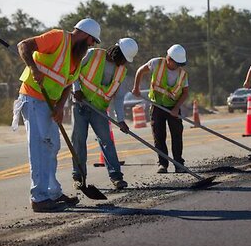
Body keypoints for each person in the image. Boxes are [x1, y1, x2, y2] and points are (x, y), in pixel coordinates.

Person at [12, 18, 101, 212]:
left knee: (52, 147)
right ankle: (39, 197)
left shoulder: (76, 58)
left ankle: (53, 193)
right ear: (85, 35)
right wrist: (34, 69)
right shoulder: (58, 37)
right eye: (92, 41)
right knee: (39, 147)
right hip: (33, 98)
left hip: (50, 104)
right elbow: (23, 46)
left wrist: (60, 107)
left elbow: (67, 84)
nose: (92, 45)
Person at [71, 37, 138, 190]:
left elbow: (118, 98)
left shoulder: (121, 71)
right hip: (80, 104)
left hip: (99, 110)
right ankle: (79, 177)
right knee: (79, 141)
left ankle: (116, 177)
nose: (124, 62)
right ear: (117, 52)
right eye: (124, 58)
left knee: (107, 141)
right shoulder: (93, 54)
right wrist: (76, 90)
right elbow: (74, 70)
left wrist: (121, 120)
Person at [132, 44, 189, 173]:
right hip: (157, 106)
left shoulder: (182, 74)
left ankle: (179, 163)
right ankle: (163, 164)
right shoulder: (156, 63)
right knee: (159, 136)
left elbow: (185, 93)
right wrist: (136, 87)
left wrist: (176, 108)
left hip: (173, 108)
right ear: (169, 59)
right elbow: (140, 71)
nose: (178, 66)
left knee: (177, 135)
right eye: (176, 63)